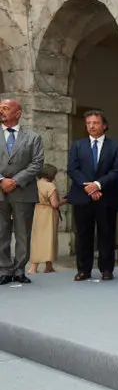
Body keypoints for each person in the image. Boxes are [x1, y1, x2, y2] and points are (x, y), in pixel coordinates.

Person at [67, 110, 118, 281]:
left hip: (106, 197)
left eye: (96, 123)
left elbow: (117, 170)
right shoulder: (78, 145)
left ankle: (106, 269)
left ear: (104, 126)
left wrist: (98, 185)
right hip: (83, 196)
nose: (92, 126)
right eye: (89, 123)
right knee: (83, 234)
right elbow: (72, 169)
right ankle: (83, 270)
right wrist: (89, 188)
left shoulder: (115, 146)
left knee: (106, 234)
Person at [0, 99, 45, 285]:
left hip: (23, 190)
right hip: (0, 190)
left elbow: (37, 163)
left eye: (6, 108)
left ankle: (19, 269)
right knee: (1, 231)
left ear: (18, 113)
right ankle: (4, 269)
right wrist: (2, 180)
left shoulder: (33, 137)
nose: (2, 111)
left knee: (22, 232)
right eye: (0, 108)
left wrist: (16, 181)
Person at [27, 164, 66, 275]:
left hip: (36, 212)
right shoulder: (50, 186)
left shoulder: (35, 184)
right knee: (49, 239)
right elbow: (54, 204)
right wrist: (66, 200)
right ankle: (41, 267)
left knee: (37, 239)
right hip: (48, 214)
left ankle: (42, 267)